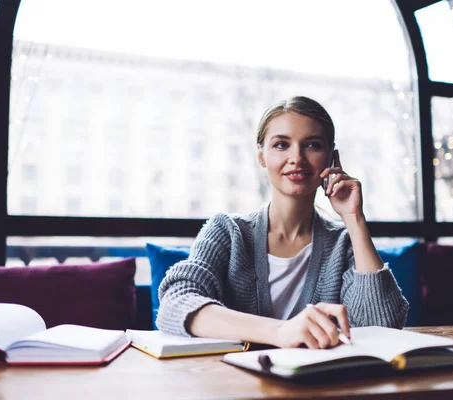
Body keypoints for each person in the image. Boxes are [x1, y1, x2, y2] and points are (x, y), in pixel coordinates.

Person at [157, 96, 409, 349]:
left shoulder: (343, 242)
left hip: (318, 383)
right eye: (281, 145)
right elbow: (176, 303)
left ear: (331, 158)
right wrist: (280, 332)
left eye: (312, 145)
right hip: (235, 381)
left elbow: (381, 327)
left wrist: (354, 219)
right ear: (261, 156)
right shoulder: (227, 231)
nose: (296, 157)